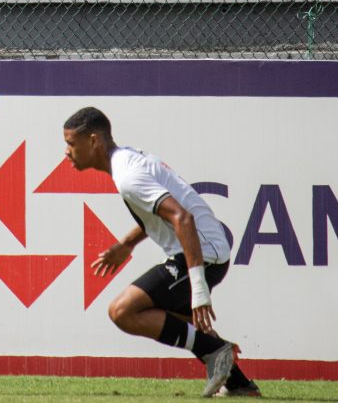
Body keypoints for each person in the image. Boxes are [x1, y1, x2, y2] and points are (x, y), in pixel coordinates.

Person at [62, 106, 260, 398]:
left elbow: (183, 218)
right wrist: (127, 244)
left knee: (122, 311)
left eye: (70, 143)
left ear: (93, 141)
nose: (67, 152)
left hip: (204, 254)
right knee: (183, 322)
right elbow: (160, 214)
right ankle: (239, 384)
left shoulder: (128, 175)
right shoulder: (126, 161)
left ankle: (216, 351)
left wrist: (198, 289)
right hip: (205, 250)